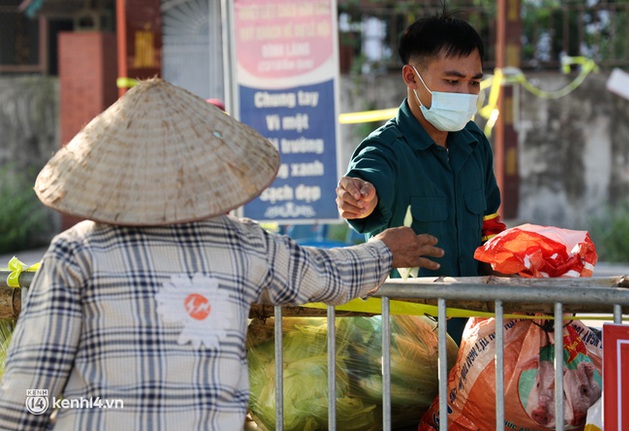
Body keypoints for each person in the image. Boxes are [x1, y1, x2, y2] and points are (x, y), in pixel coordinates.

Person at [0, 78, 444, 430]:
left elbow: (26, 396)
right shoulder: (240, 243)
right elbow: (324, 274)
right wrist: (384, 250)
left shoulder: (74, 252)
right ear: (205, 172)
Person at [335, 11, 507, 343]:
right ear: (411, 77)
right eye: (453, 82)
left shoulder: (476, 144)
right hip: (409, 348)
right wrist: (359, 197)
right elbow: (362, 188)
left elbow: (490, 227)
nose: (466, 93)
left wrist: (515, 266)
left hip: (479, 340)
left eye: (474, 82)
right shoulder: (385, 149)